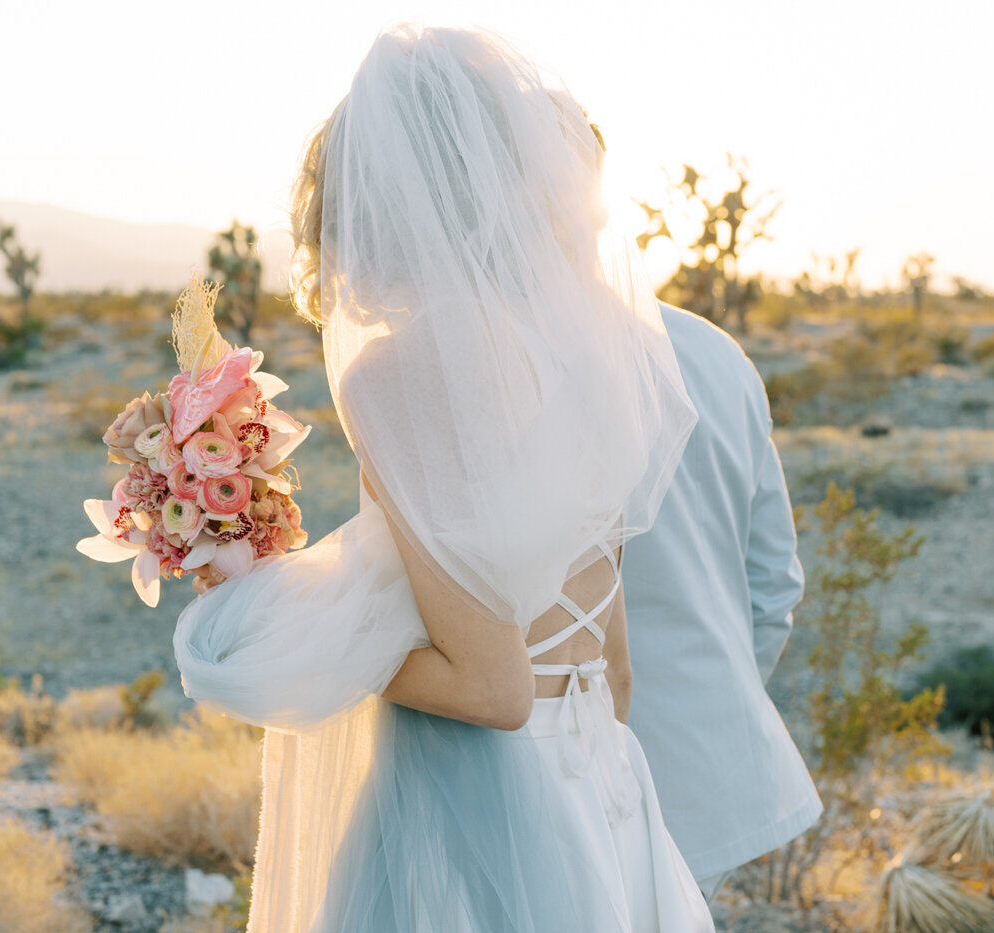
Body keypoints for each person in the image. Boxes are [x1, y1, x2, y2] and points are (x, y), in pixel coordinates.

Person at [174, 24, 715, 932]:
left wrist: (287, 625)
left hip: (479, 808)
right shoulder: (586, 345)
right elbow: (614, 665)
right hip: (604, 784)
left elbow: (490, 690)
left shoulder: (402, 372)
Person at [623, 304, 823, 902]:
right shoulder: (713, 349)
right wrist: (717, 697)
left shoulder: (499, 347)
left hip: (558, 764)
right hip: (711, 771)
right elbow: (775, 583)